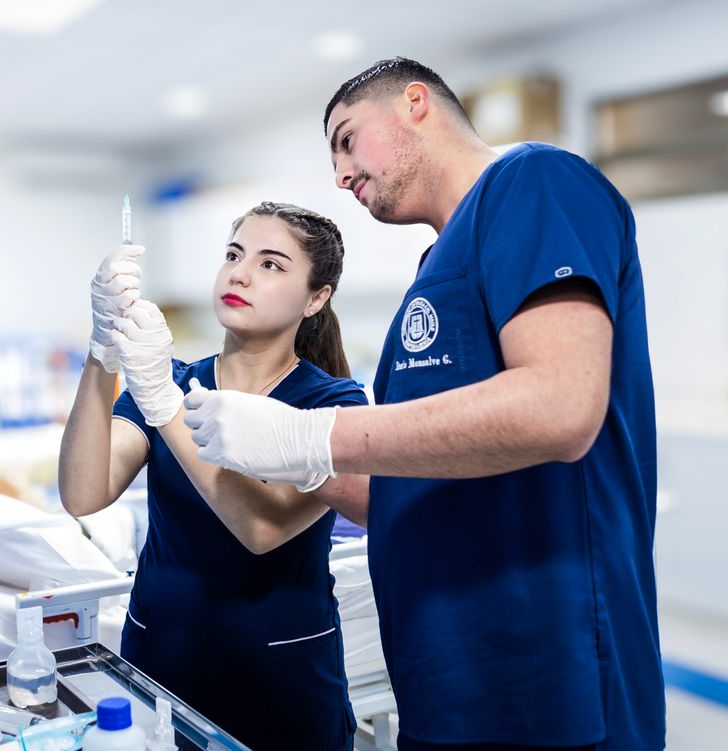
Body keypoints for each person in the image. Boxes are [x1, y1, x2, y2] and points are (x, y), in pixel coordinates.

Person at [184, 58, 664, 751]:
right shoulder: (435, 267)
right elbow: (410, 486)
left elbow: (561, 406)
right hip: (447, 680)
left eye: (347, 139)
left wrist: (313, 435)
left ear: (415, 103)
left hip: (549, 676)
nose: (340, 175)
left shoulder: (533, 182)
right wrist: (289, 457)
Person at [59, 202, 369, 750]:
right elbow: (83, 493)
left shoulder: (331, 403)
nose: (240, 274)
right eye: (233, 255)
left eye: (270, 264)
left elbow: (263, 529)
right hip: (161, 667)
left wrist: (164, 403)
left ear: (316, 298)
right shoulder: (172, 379)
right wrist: (102, 352)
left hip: (281, 683)